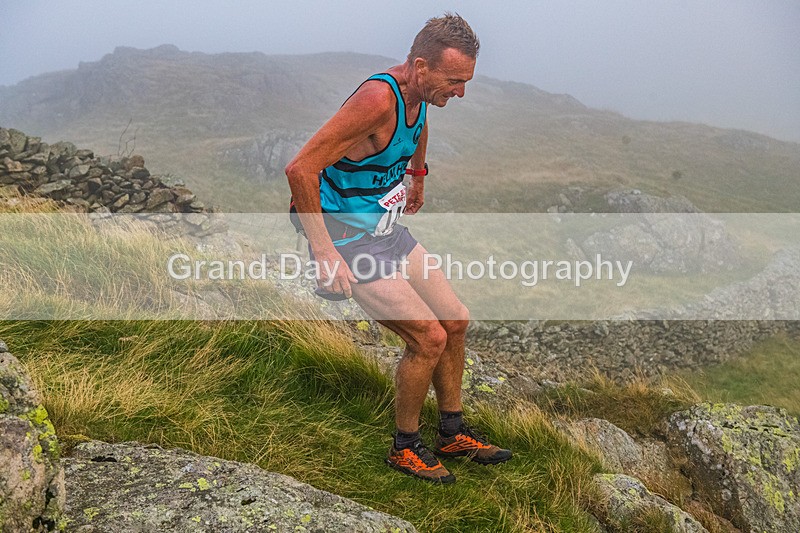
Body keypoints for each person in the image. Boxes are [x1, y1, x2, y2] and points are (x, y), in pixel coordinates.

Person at [285, 13, 511, 484]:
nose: (460, 93)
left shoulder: (419, 93)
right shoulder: (376, 100)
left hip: (384, 229)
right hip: (347, 238)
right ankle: (404, 447)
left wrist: (417, 175)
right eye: (454, 81)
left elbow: (419, 126)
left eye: (466, 82)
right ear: (421, 66)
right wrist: (325, 253)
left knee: (455, 320)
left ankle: (452, 433)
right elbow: (300, 169)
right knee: (428, 338)